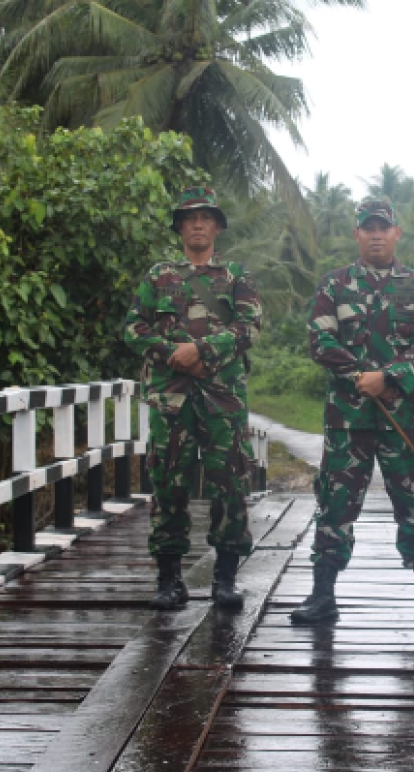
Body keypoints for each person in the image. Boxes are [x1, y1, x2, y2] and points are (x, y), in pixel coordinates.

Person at [290, 197, 414, 627]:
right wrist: (359, 377)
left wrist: (390, 377)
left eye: (383, 227)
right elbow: (321, 342)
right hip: (348, 418)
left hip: (406, 415)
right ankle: (322, 595)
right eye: (368, 228)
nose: (376, 235)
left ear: (396, 233)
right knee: (334, 503)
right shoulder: (334, 285)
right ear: (357, 235)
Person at [123, 186, 262, 612]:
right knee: (167, 483)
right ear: (180, 227)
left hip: (223, 400)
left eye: (206, 217)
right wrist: (173, 355)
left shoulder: (237, 276)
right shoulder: (157, 277)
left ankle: (225, 579)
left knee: (230, 484)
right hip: (171, 400)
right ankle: (169, 579)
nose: (198, 224)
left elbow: (249, 328)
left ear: (217, 225)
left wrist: (202, 351)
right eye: (190, 218)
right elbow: (133, 328)